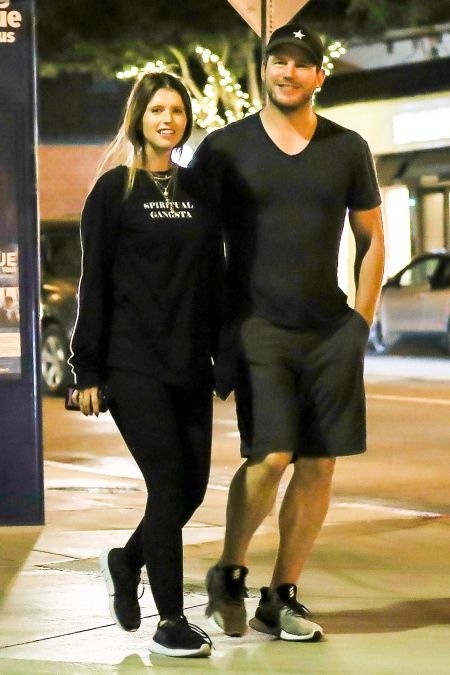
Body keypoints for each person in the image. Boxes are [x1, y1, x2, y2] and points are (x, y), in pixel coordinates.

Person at [191, 22, 385, 642]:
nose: (288, 72)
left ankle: (281, 596)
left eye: (301, 64)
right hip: (257, 326)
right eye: (279, 61)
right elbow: (190, 239)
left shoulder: (347, 147)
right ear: (265, 69)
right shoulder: (224, 148)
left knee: (320, 462)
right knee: (272, 454)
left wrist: (361, 321)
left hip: (330, 328)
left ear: (318, 76)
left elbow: (372, 238)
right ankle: (229, 573)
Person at [69, 71, 223, 658]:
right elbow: (94, 284)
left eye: (177, 110)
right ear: (139, 118)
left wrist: (224, 354)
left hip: (190, 361)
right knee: (167, 484)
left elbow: (214, 277)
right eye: (157, 109)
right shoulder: (113, 191)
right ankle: (170, 621)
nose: (168, 119)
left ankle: (125, 559)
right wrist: (86, 369)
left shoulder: (198, 189)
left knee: (191, 490)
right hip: (133, 364)